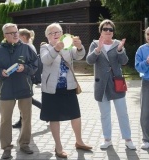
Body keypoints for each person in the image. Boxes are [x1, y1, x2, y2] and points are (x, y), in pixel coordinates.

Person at [40, 23, 92, 158]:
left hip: (68, 86)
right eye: (52, 33)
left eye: (58, 32)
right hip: (51, 89)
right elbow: (45, 60)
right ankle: (58, 147)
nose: (56, 34)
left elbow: (79, 55)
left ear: (62, 34)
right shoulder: (45, 47)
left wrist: (79, 46)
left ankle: (79, 142)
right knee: (54, 118)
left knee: (75, 115)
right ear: (47, 37)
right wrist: (56, 49)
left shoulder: (68, 46)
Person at [0, 23, 38, 159]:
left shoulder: (26, 48)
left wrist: (25, 68)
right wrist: (1, 73)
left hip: (24, 88)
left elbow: (35, 65)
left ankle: (24, 144)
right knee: (5, 120)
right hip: (7, 90)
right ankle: (6, 147)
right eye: (11, 33)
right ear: (5, 35)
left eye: (16, 31)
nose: (15, 34)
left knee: (26, 118)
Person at [86, 19, 136, 150]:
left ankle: (128, 139)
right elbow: (89, 61)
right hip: (101, 84)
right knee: (105, 114)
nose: (108, 31)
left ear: (113, 32)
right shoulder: (95, 44)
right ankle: (107, 139)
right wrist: (98, 49)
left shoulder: (118, 44)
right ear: (101, 31)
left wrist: (120, 50)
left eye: (110, 29)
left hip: (116, 83)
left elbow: (124, 61)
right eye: (105, 29)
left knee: (122, 113)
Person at [12, 28, 42, 129]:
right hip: (25, 76)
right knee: (25, 99)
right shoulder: (27, 46)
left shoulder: (28, 47)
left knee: (26, 99)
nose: (16, 38)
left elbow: (32, 64)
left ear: (23, 37)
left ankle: (45, 110)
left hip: (28, 77)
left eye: (18, 36)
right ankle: (21, 120)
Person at [135, 27, 149, 149]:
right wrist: (147, 62)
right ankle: (146, 139)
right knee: (145, 111)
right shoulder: (142, 49)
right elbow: (138, 67)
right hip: (147, 83)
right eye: (148, 34)